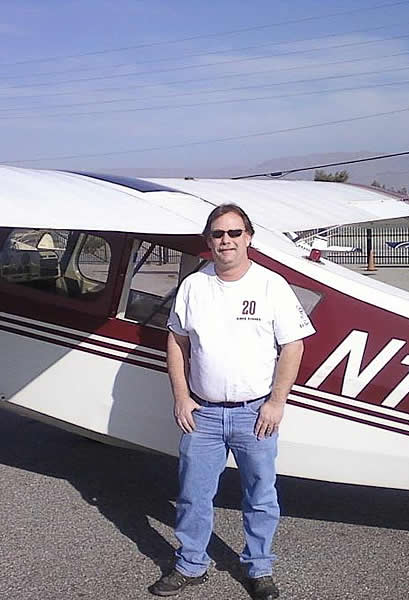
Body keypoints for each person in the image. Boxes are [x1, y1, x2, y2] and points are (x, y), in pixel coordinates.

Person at [149, 204, 315, 600]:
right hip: (203, 414)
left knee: (260, 494)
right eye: (218, 234)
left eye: (235, 233)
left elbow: (294, 344)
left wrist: (277, 402)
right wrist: (181, 396)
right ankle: (190, 565)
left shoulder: (271, 285)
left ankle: (259, 569)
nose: (226, 241)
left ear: (249, 238)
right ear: (209, 241)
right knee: (192, 494)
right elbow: (177, 340)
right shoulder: (194, 286)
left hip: (255, 412)